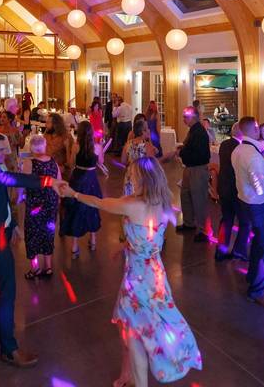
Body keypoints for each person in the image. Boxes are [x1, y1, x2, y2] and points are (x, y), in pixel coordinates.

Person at [59, 157, 202, 386]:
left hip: (138, 281)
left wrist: (73, 194)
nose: (130, 177)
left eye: (133, 174)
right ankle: (128, 375)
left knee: (134, 333)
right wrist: (125, 246)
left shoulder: (132, 205)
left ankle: (138, 381)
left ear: (143, 178)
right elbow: (150, 239)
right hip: (156, 275)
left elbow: (98, 202)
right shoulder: (164, 203)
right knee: (137, 326)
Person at [0, 132, 63, 368]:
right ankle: (9, 349)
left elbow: (3, 202)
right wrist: (47, 181)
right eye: (1, 150)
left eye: (7, 148)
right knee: (7, 291)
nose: (7, 153)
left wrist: (13, 226)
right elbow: (11, 180)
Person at [230, 117, 264, 307]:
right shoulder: (254, 156)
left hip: (244, 201)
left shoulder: (238, 150)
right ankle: (257, 290)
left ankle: (251, 276)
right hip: (257, 205)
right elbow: (260, 189)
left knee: (258, 242)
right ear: (255, 130)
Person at [167, 106, 211, 242]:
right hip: (189, 168)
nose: (183, 119)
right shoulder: (193, 131)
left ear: (194, 117)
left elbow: (200, 154)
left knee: (198, 199)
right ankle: (189, 222)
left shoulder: (199, 132)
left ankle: (202, 230)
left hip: (197, 169)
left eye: (186, 117)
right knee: (185, 195)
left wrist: (182, 152)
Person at [21, 134, 60, 279]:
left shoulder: (29, 163)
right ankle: (48, 266)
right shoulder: (53, 162)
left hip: (35, 204)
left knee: (32, 234)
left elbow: (24, 183)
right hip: (50, 202)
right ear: (44, 146)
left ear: (31, 148)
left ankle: (35, 267)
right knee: (48, 232)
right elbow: (59, 181)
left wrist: (21, 197)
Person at [62, 121, 102, 257]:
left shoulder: (76, 146)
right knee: (92, 207)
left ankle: (74, 246)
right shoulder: (97, 147)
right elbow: (100, 162)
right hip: (91, 179)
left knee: (76, 209)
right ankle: (93, 239)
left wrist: (68, 148)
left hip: (78, 178)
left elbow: (70, 163)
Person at [214, 120, 242, 261]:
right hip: (235, 189)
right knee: (244, 221)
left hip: (224, 186)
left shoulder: (225, 144)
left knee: (226, 219)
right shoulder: (240, 148)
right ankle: (238, 250)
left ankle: (221, 249)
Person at [44, 113, 74, 180]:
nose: (45, 125)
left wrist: (64, 168)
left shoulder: (66, 137)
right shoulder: (47, 134)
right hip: (47, 172)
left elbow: (72, 160)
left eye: (48, 123)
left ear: (55, 125)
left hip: (60, 175)